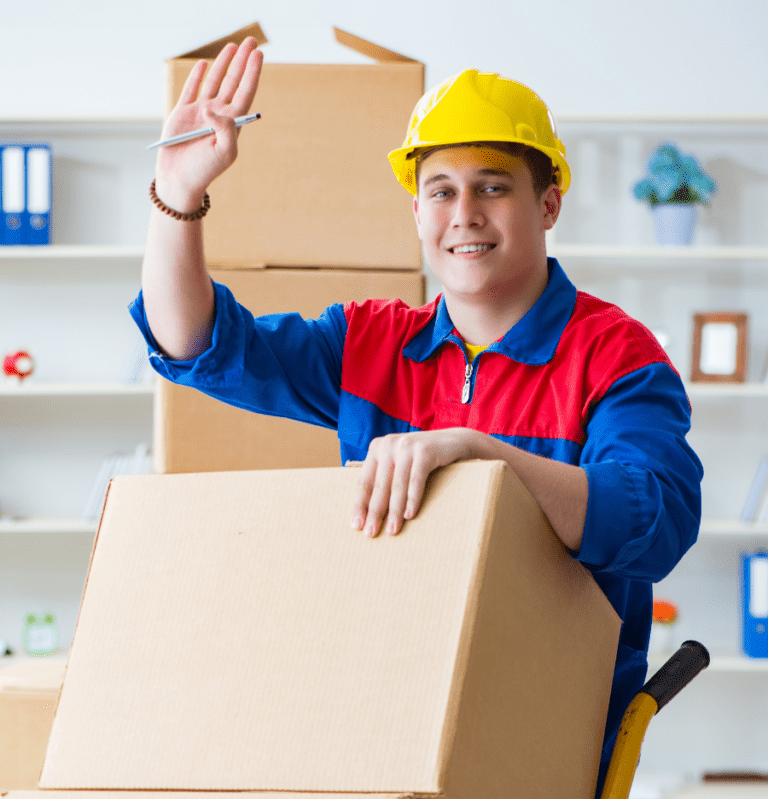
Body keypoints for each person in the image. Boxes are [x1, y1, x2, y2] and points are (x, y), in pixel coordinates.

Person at [129, 37, 702, 798]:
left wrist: (480, 457)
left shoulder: (615, 355)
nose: (463, 214)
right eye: (440, 190)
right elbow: (198, 344)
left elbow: (654, 518)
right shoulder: (370, 341)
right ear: (416, 210)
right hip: (379, 728)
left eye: (492, 187)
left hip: (542, 746)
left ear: (548, 204)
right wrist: (177, 195)